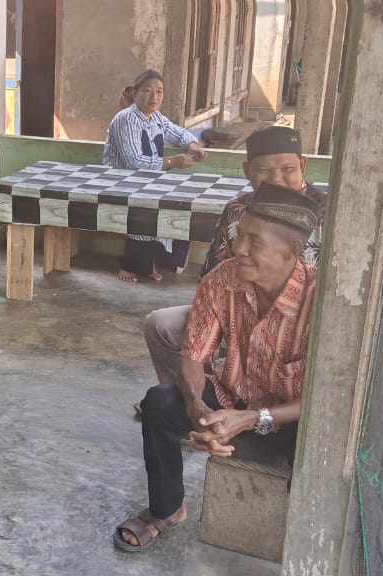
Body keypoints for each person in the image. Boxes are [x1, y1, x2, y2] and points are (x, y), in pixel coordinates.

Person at [113, 183, 320, 552]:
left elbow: (324, 400)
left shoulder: (321, 300)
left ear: (292, 250)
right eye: (240, 235)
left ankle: (306, 531)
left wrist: (252, 418)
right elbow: (192, 358)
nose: (239, 248)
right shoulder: (221, 280)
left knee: (321, 442)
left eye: (254, 241)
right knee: (160, 403)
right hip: (232, 400)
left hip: (291, 420)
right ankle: (167, 510)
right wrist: (200, 413)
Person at [134, 126, 326, 418]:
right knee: (161, 326)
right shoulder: (238, 209)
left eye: (287, 169)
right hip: (238, 312)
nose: (277, 179)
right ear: (248, 171)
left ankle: (267, 414)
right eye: (264, 170)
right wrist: (211, 329)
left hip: (300, 328)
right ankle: (189, 400)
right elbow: (214, 272)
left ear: (302, 165)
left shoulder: (329, 212)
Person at [104, 69, 208, 283]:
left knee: (182, 203)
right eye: (147, 91)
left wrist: (192, 144)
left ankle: (157, 260)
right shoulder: (126, 119)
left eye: (159, 91)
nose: (154, 97)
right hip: (120, 181)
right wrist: (172, 162)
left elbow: (177, 132)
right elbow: (134, 162)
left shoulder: (156, 118)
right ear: (135, 93)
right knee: (146, 209)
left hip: (146, 180)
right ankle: (130, 265)